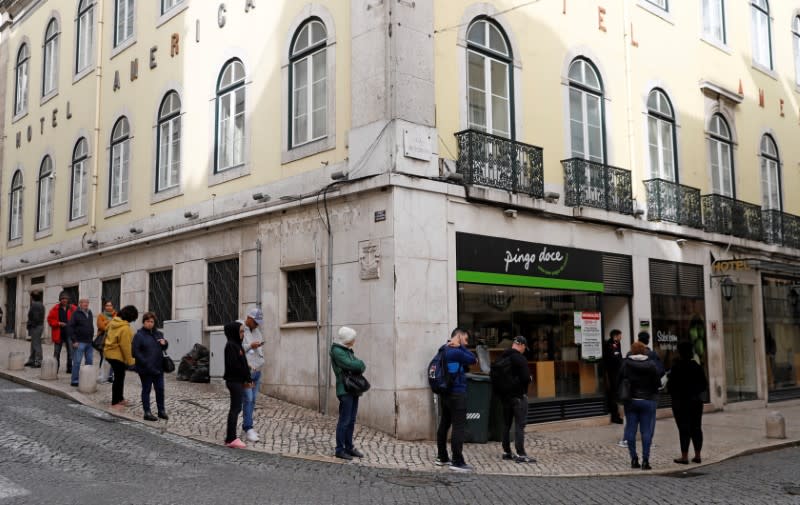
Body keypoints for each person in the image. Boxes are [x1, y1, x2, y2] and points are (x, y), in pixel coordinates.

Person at [435, 327, 478, 472]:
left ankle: (442, 457)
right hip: (457, 393)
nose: (466, 343)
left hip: (445, 393)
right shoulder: (457, 351)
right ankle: (457, 461)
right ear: (458, 337)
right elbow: (474, 359)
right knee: (458, 427)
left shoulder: (443, 349)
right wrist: (461, 347)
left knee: (444, 424)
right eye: (465, 339)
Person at [619, 341, 661, 470]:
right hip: (648, 401)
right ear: (644, 351)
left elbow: (618, 381)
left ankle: (634, 459)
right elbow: (658, 383)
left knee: (631, 431)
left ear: (632, 350)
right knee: (646, 431)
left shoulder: (626, 364)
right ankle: (646, 461)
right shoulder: (651, 364)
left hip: (631, 401)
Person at [330, 326, 367, 460]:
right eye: (352, 338)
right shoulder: (338, 351)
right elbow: (354, 365)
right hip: (344, 389)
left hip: (353, 388)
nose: (354, 340)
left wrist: (359, 364)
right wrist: (359, 364)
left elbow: (360, 365)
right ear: (347, 339)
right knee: (344, 420)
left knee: (351, 420)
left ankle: (349, 447)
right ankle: (340, 449)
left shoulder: (346, 350)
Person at [668, 341, 707, 465]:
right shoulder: (696, 366)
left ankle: (684, 457)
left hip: (680, 402)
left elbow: (670, 386)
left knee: (684, 429)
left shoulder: (676, 367)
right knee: (696, 427)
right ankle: (697, 455)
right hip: (696, 401)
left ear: (680, 352)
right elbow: (704, 384)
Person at [498, 336, 534, 463]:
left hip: (505, 397)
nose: (524, 350)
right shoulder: (520, 358)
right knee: (520, 425)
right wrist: (530, 378)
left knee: (506, 424)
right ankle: (521, 454)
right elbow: (525, 378)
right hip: (518, 397)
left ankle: (506, 452)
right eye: (525, 347)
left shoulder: (503, 356)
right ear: (522, 345)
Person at [132, 312, 169, 422]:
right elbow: (135, 352)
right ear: (143, 322)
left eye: (151, 321)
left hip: (158, 367)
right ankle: (147, 412)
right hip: (145, 369)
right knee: (146, 390)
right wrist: (146, 363)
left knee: (160, 389)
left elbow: (163, 348)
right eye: (147, 321)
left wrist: (165, 343)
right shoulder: (139, 335)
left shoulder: (158, 334)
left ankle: (161, 411)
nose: (149, 323)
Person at [223, 321, 252, 448]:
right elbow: (234, 366)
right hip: (234, 381)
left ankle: (231, 437)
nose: (243, 334)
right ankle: (231, 438)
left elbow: (243, 364)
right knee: (235, 409)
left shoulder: (237, 345)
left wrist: (247, 378)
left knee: (236, 408)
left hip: (238, 381)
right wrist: (245, 376)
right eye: (240, 331)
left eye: (243, 331)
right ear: (234, 332)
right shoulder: (231, 346)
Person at [238, 307, 265, 443]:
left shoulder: (257, 330)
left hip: (257, 370)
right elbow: (236, 348)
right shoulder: (240, 328)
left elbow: (259, 349)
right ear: (248, 318)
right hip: (246, 371)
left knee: (252, 399)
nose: (257, 325)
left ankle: (247, 426)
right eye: (255, 322)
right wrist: (250, 346)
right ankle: (248, 428)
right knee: (247, 399)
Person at [104, 305, 138, 409]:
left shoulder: (113, 322)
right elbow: (126, 347)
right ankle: (115, 402)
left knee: (120, 376)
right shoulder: (125, 328)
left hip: (109, 353)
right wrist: (131, 361)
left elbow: (106, 331)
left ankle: (120, 398)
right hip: (117, 356)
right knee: (118, 378)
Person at [67, 298, 95, 387]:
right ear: (80, 304)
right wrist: (74, 341)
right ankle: (75, 380)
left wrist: (91, 337)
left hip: (89, 342)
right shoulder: (76, 313)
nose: (86, 304)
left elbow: (91, 326)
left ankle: (87, 378)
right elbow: (70, 327)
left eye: (87, 302)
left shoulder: (90, 313)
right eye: (84, 302)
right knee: (77, 362)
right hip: (79, 342)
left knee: (89, 361)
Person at [47, 291, 76, 374]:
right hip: (58, 334)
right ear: (60, 299)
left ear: (68, 299)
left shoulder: (72, 308)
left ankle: (69, 368)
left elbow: (78, 316)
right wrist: (58, 323)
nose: (64, 300)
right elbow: (49, 320)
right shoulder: (55, 308)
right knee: (56, 353)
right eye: (62, 298)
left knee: (70, 352)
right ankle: (55, 368)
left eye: (65, 298)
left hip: (69, 334)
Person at [603, 329, 624, 424]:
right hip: (611, 373)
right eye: (620, 335)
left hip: (617, 373)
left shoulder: (618, 343)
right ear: (615, 336)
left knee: (616, 394)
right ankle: (614, 416)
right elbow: (610, 359)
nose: (621, 337)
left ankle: (617, 415)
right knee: (613, 394)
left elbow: (619, 356)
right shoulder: (608, 344)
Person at [96, 300, 117, 383]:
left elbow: (117, 325)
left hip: (114, 340)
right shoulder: (101, 315)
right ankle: (102, 375)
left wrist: (106, 323)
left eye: (110, 305)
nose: (109, 307)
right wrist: (110, 322)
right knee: (103, 357)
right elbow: (101, 326)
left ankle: (110, 376)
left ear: (112, 307)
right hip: (103, 340)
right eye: (107, 305)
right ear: (105, 307)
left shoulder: (116, 315)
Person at [24, 290, 45, 368]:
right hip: (38, 326)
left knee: (36, 344)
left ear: (32, 297)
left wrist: (31, 325)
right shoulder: (40, 304)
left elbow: (35, 318)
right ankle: (32, 360)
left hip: (36, 327)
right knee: (33, 344)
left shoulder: (35, 305)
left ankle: (38, 361)